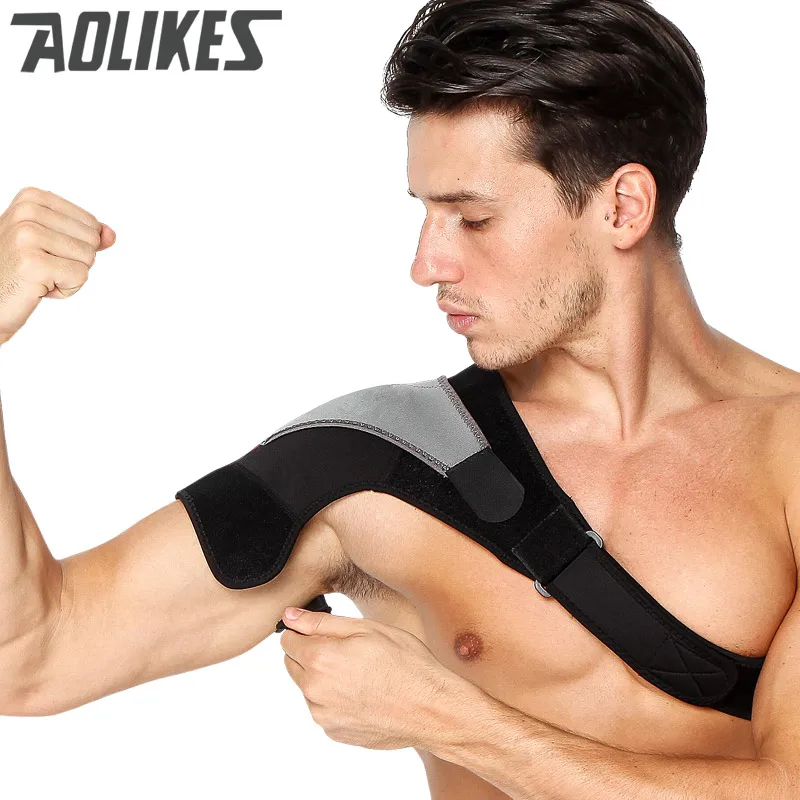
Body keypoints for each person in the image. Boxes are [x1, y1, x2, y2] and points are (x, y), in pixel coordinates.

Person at [0, 0, 798, 797]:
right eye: (426, 211)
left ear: (622, 207)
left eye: (473, 218)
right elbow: (32, 657)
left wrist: (452, 720)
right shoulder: (377, 459)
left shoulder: (786, 452)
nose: (426, 264)